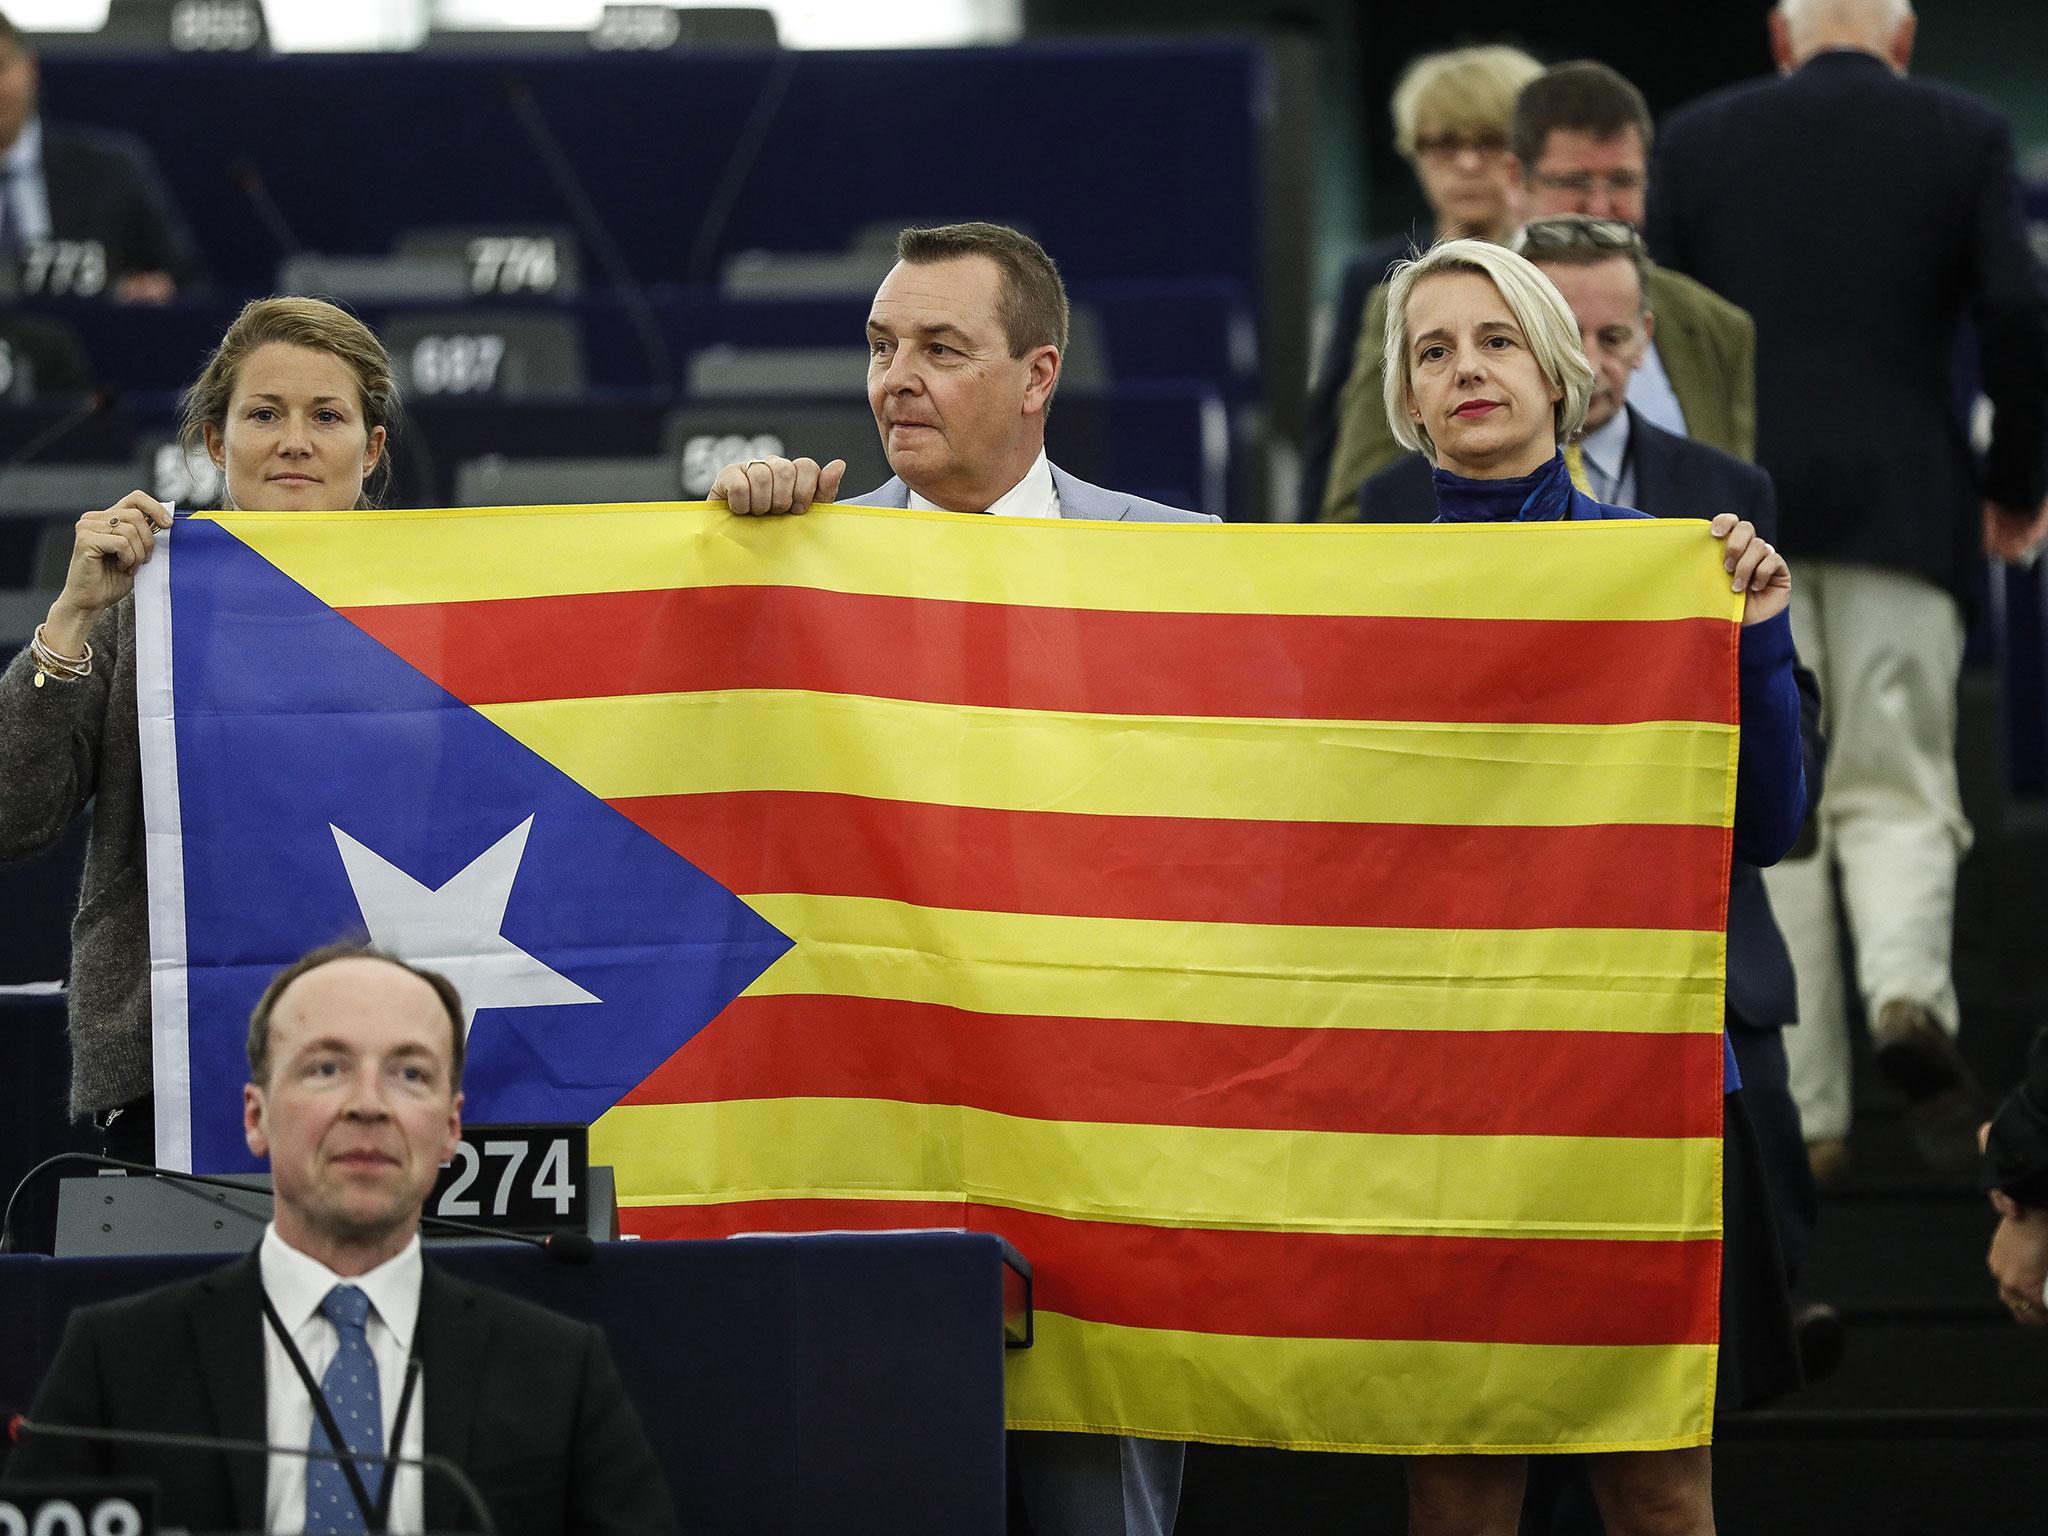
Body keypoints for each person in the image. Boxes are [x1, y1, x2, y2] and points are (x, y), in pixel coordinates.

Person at [713, 220, 1208, 1536]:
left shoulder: (1186, 566)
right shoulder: (798, 560)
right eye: (881, 347)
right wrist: (740, 558)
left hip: (1096, 1142)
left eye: (940, 347)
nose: (895, 379)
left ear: (1038, 374)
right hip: (867, 1142)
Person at [1382, 236, 1804, 1536]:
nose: (1469, 369)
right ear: (1406, 399)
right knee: (1460, 1483)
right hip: (1438, 1089)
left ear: (1566, 377)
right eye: (1434, 350)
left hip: (1646, 1076)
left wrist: (1765, 635)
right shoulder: (1353, 589)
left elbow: (1773, 825)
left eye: (1498, 340)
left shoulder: (1681, 568)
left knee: (1658, 1483)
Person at [1646, 0, 2048, 1179]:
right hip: (1904, 500)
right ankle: (1908, 995)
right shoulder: (1963, 130)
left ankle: (1809, 1114)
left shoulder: (1697, 137)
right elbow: (2019, 314)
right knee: (1897, 776)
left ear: (1776, 39)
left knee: (1783, 811)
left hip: (1732, 511)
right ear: (1904, 41)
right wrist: (2012, 481)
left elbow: (1657, 334)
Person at [9, 941, 678, 1535]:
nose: (368, 1104)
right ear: (256, 1116)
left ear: (450, 1129)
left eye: (410, 1073)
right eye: (326, 1068)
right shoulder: (118, 1362)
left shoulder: (557, 1374)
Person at [0, 297, 400, 1162]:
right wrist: (69, 619)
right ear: (216, 445)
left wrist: (742, 536)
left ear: (370, 451)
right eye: (263, 414)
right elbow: (10, 815)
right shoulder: (136, 606)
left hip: (399, 1076)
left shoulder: (448, 612)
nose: (293, 440)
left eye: (326, 416)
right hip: (170, 1079)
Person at [1318, 59, 1756, 521]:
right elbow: (1356, 509)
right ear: (1515, 181)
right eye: (1573, 182)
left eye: (1623, 181)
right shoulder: (1427, 304)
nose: (1599, 206)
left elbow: (1735, 510)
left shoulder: (1712, 324)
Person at [1296, 44, 1542, 522]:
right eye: (1445, 144)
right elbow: (1335, 441)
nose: (1468, 163)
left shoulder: (1558, 268)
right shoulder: (1375, 278)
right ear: (1415, 152)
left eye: (1491, 141)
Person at [0, 11, 199, 301]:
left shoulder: (112, 172)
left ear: (30, 69)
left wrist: (155, 290)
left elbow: (188, 284)